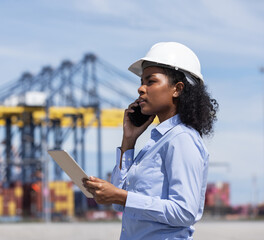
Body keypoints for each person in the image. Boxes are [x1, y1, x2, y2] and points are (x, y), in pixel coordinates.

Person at [83, 42, 218, 239]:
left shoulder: (181, 139)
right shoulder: (155, 143)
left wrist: (121, 196)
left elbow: (185, 212)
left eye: (150, 81)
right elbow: (118, 202)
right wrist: (128, 140)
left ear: (177, 89)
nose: (140, 89)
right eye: (141, 81)